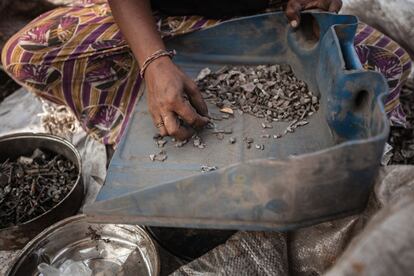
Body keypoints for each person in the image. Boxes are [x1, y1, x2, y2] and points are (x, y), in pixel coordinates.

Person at [1, 0, 411, 145]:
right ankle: (148, 102)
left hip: (262, 17)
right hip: (162, 18)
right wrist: (152, 62)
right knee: (29, 54)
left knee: (390, 64)